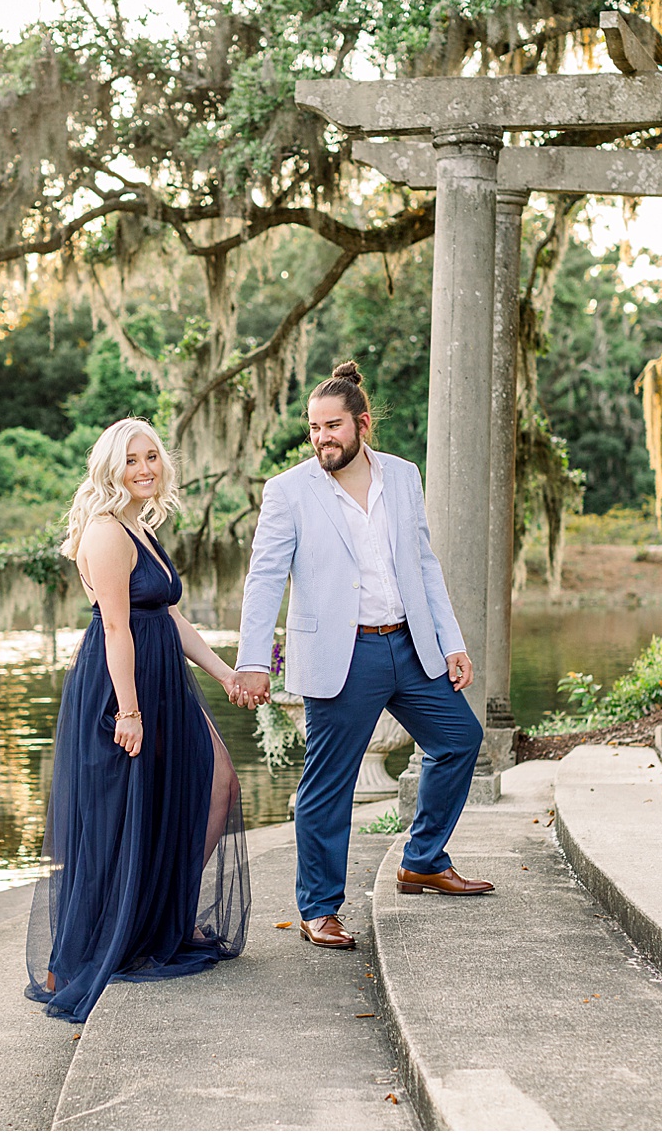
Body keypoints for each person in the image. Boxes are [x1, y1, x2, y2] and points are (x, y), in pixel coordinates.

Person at [231, 362, 493, 950]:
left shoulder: (402, 476)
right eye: (314, 427)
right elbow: (264, 577)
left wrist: (451, 641)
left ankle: (423, 859)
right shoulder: (288, 491)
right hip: (339, 654)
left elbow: (424, 565)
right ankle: (319, 908)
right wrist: (252, 659)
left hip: (409, 642)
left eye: (333, 426)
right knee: (329, 784)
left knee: (459, 740)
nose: (322, 437)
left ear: (362, 424)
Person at [25, 417, 251, 1022]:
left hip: (163, 679)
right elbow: (118, 627)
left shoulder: (139, 526)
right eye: (132, 460)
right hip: (121, 687)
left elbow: (168, 619)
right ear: (110, 468)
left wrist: (224, 672)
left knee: (218, 785)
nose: (145, 468)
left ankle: (159, 914)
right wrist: (129, 709)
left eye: (151, 456)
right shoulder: (104, 533)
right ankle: (79, 952)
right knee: (113, 819)